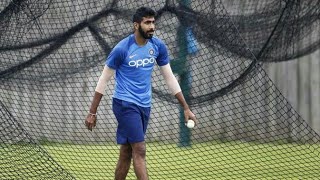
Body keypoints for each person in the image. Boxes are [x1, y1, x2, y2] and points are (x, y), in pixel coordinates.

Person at [85, 7, 197, 180]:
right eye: (147, 23)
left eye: (153, 22)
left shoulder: (158, 46)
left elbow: (169, 78)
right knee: (140, 149)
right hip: (124, 104)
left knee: (126, 151)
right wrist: (92, 112)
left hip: (144, 105)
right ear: (136, 25)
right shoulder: (122, 49)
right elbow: (103, 79)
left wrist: (186, 107)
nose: (152, 26)